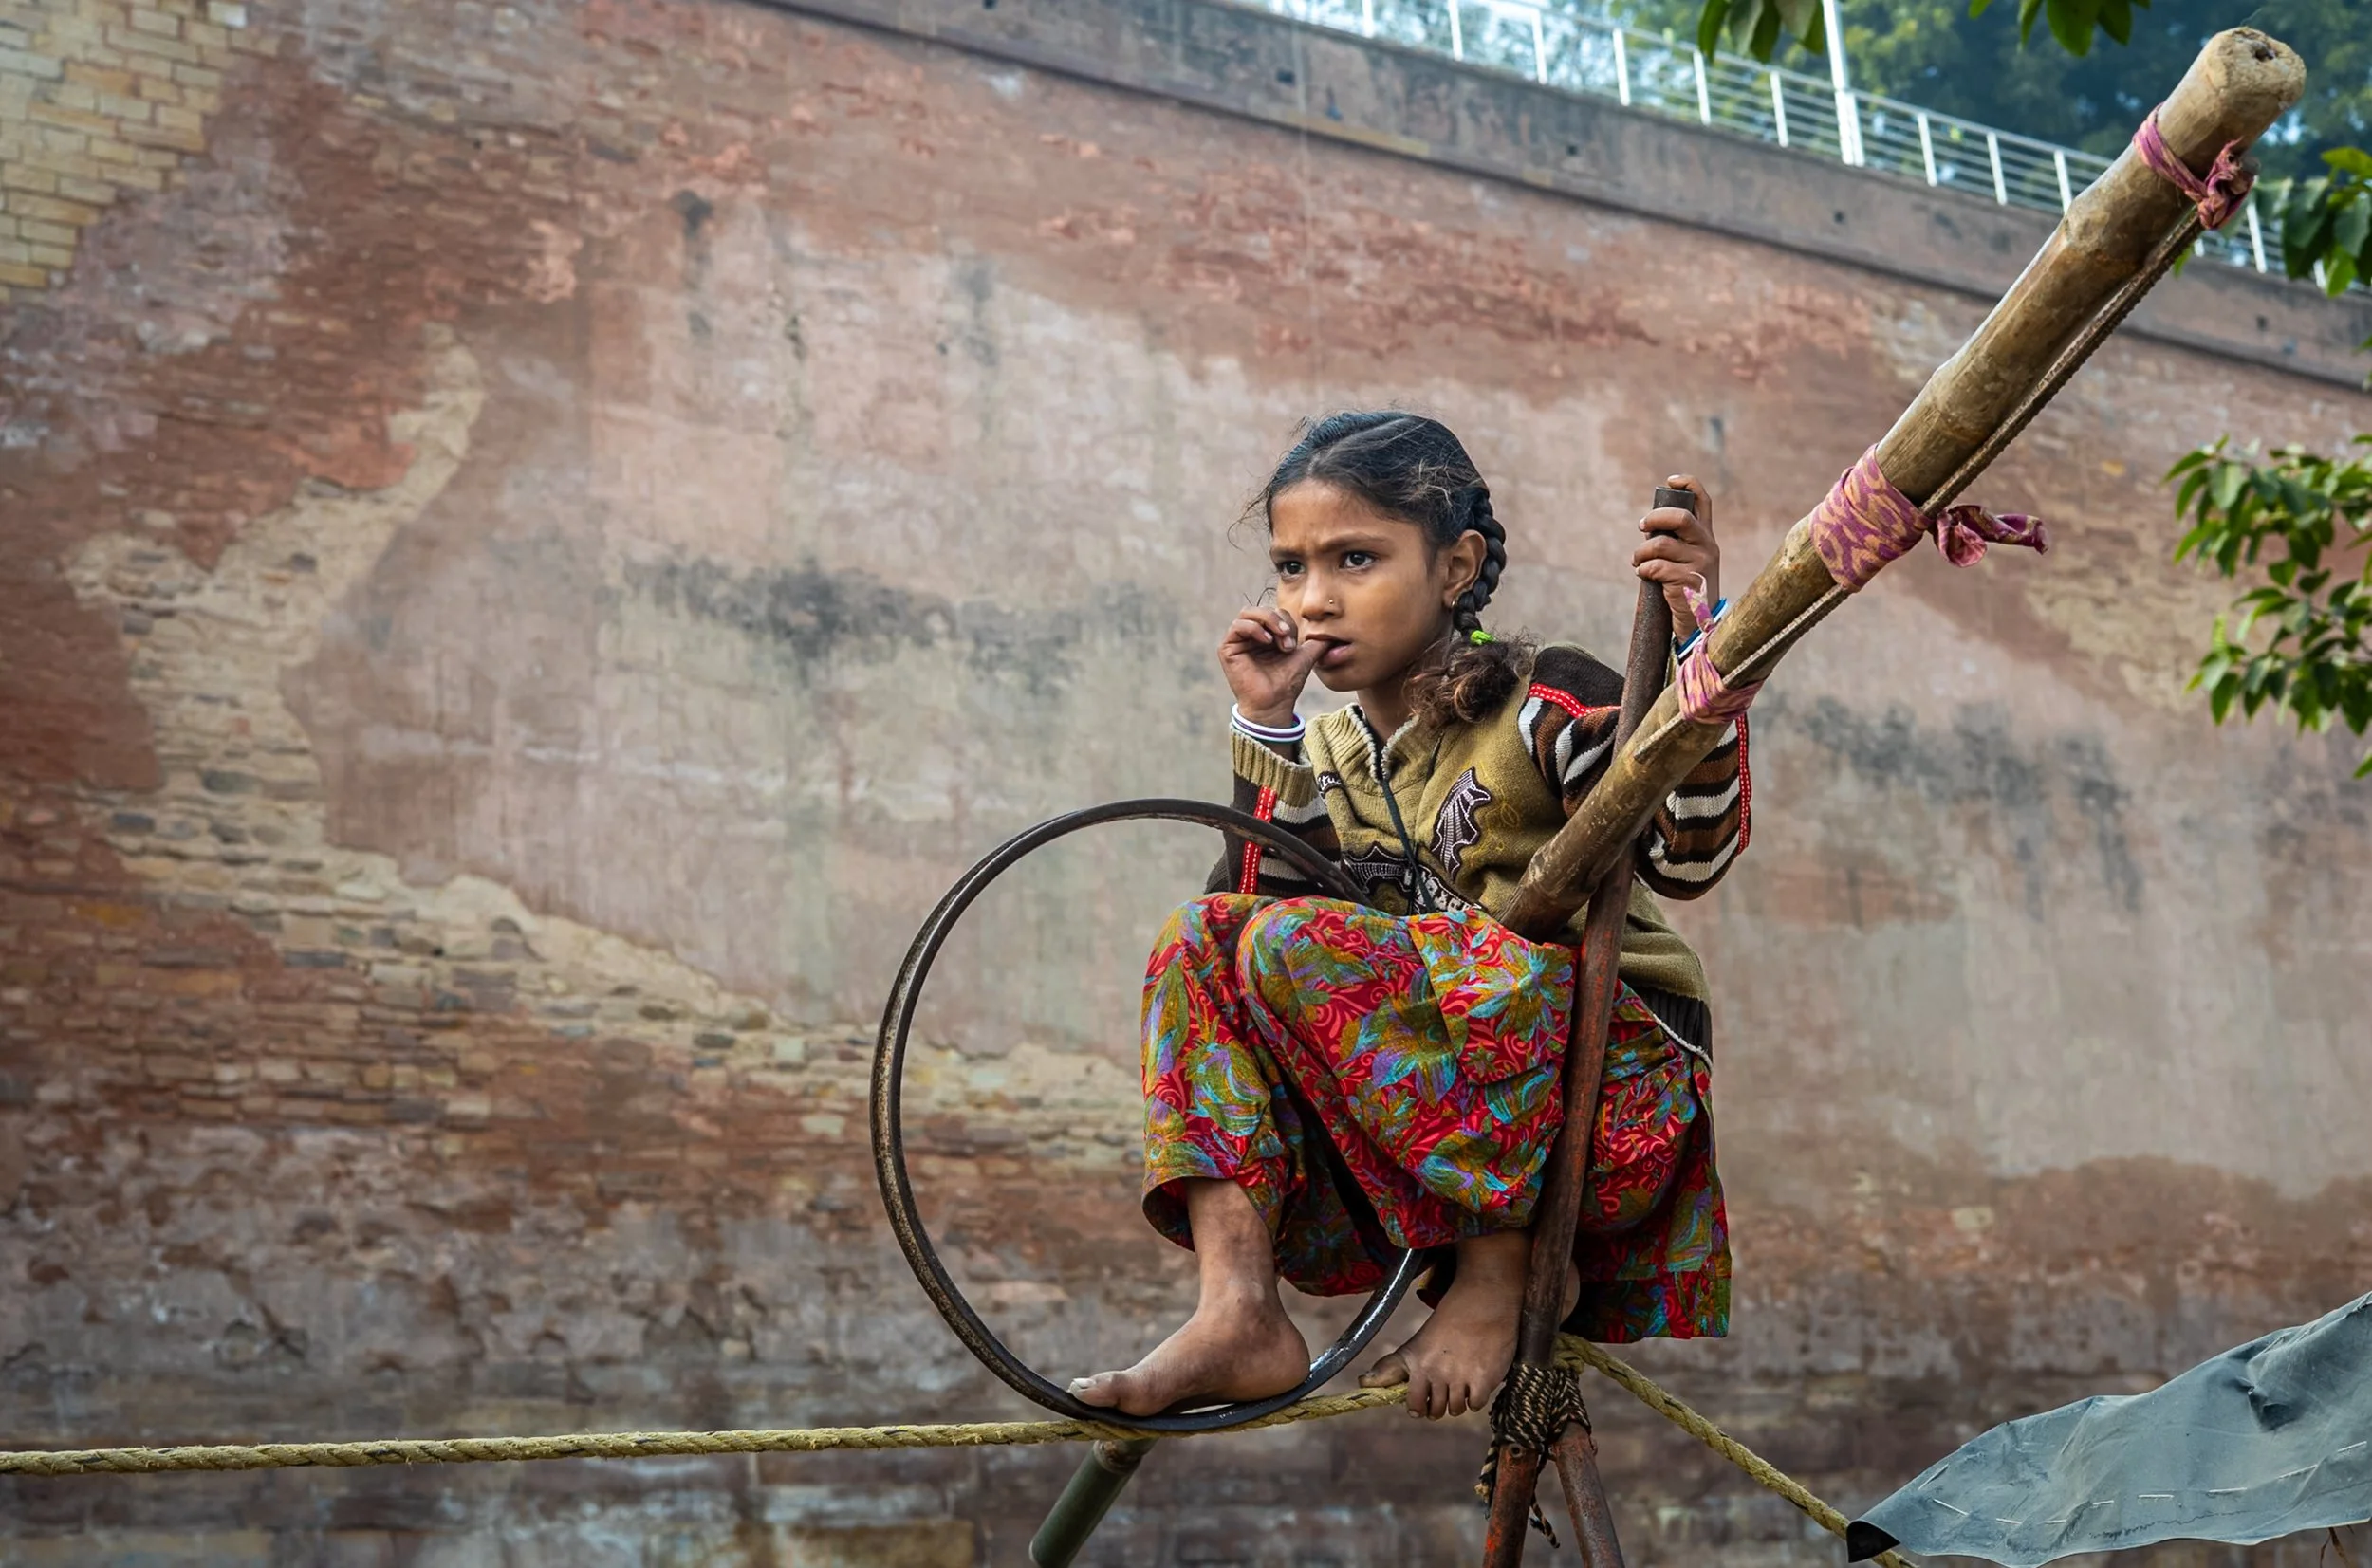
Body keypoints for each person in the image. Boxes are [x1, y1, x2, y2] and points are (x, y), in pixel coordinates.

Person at [1070, 411, 1749, 1422]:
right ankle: (1239, 1305)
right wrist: (1266, 725)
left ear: (1454, 566)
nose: (1314, 599)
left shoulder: (1542, 702)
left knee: (1304, 943)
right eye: (1290, 568)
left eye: (1355, 559)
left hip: (1606, 1099)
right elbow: (1253, 947)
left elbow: (1690, 852)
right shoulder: (1334, 753)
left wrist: (1703, 643)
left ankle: (1501, 1271)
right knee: (1200, 938)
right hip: (1440, 1131)